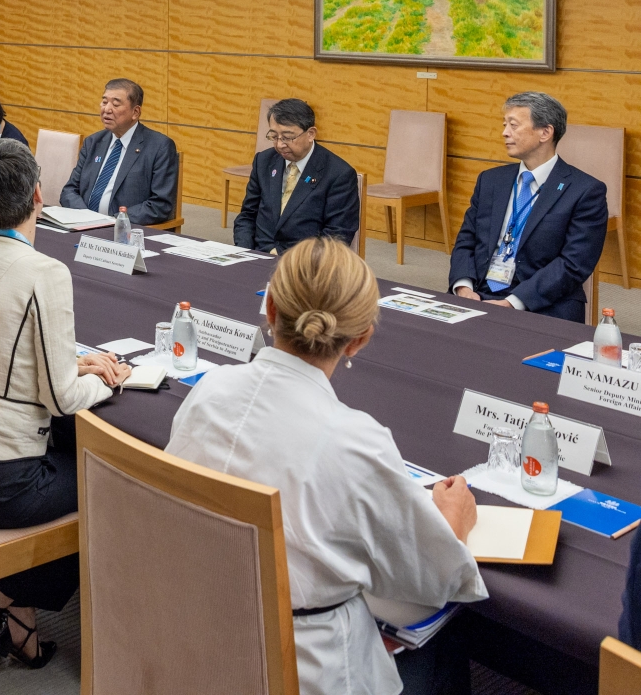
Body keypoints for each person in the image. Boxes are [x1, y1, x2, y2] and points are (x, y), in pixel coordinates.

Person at [166, 237, 487, 695]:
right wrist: (453, 521)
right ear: (360, 339)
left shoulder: (210, 390)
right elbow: (434, 580)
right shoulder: (356, 440)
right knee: (442, 638)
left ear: (270, 308)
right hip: (300, 673)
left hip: (196, 643)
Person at [0, 139, 129, 668]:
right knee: (108, 481)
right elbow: (62, 400)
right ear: (37, 195)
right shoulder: (45, 272)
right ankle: (7, 600)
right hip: (2, 484)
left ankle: (7, 605)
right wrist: (113, 380)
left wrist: (75, 361)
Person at [449, 92, 608, 322]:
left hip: (541, 304)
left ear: (545, 132)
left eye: (513, 125)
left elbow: (573, 265)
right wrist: (463, 287)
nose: (504, 132)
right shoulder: (491, 180)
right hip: (477, 294)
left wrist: (511, 303)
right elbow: (466, 240)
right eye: (504, 125)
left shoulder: (584, 191)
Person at [233, 98, 360, 253]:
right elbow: (247, 216)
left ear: (311, 134)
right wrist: (243, 253)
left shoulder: (339, 174)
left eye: (287, 137)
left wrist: (290, 261)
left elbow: (336, 237)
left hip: (303, 265)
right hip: (258, 256)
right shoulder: (264, 161)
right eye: (274, 136)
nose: (279, 144)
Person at [59, 79, 178, 225]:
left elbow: (160, 205)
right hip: (83, 225)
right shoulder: (93, 142)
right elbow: (69, 190)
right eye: (104, 102)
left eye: (115, 104)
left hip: (123, 231)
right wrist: (86, 218)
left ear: (135, 112)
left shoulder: (159, 147)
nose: (107, 109)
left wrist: (115, 221)